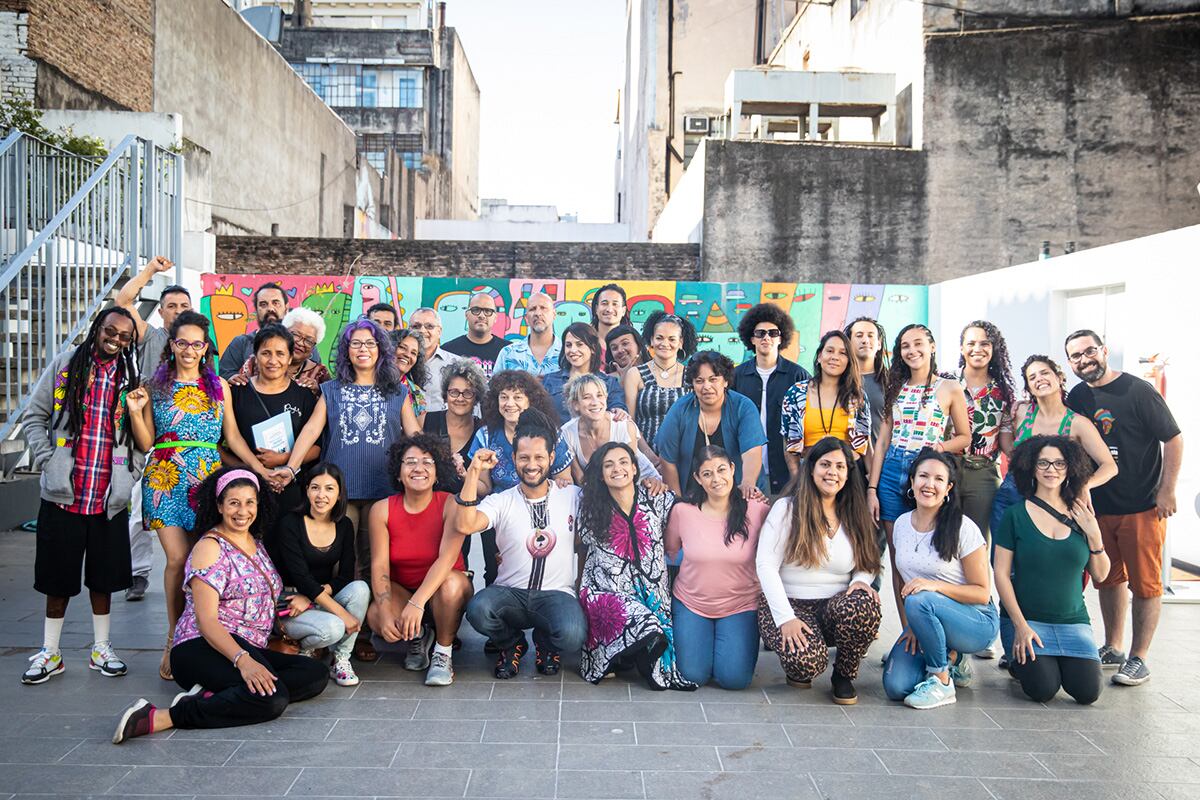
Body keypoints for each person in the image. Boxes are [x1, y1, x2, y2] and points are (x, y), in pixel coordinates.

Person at [112, 467, 327, 744]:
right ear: (219, 506)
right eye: (234, 503)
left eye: (250, 502)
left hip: (248, 645)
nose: (242, 511)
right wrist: (244, 661)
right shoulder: (210, 547)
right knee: (273, 700)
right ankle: (163, 716)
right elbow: (207, 621)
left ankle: (217, 693)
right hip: (201, 647)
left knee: (314, 674)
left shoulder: (255, 541)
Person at [126, 311, 280, 682]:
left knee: (206, 562)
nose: (190, 350)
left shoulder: (219, 387)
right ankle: (173, 638)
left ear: (206, 347)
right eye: (183, 343)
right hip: (165, 477)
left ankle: (208, 633)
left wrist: (259, 472)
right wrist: (134, 411)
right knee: (178, 560)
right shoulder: (155, 386)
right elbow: (146, 442)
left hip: (207, 480)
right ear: (172, 345)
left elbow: (234, 439)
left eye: (197, 343)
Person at [280, 320, 421, 661]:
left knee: (375, 563)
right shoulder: (331, 390)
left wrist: (438, 466)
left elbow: (414, 435)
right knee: (343, 563)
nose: (363, 349)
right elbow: (312, 430)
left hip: (382, 490)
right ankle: (332, 628)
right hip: (338, 493)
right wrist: (291, 467)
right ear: (345, 351)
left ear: (381, 350)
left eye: (370, 344)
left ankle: (363, 634)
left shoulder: (397, 391)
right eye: (355, 344)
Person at [21, 308, 143, 685]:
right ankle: (51, 652)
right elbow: (34, 416)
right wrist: (48, 460)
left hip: (108, 499)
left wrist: (132, 471)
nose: (117, 339)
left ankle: (101, 648)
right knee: (56, 579)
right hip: (63, 497)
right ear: (97, 329)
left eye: (125, 336)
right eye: (111, 330)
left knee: (103, 580)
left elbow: (141, 434)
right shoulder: (66, 366)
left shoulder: (131, 378)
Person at [1065, 329, 1182, 686]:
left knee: (1146, 584)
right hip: (1099, 508)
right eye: (1075, 356)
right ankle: (1113, 646)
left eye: (1089, 352)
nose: (1084, 360)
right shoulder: (1079, 396)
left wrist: (1167, 490)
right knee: (1109, 580)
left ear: (1103, 350)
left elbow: (1173, 438)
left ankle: (1139, 657)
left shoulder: (1137, 390)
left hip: (1142, 505)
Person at [457, 411, 588, 679]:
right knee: (478, 610)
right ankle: (512, 643)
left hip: (556, 593)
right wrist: (474, 473)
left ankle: (546, 642)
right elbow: (466, 524)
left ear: (551, 459)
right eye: (524, 457)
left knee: (573, 635)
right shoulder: (501, 500)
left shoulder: (571, 495)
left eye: (539, 457)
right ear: (514, 459)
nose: (531, 465)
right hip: (511, 594)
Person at [756, 437, 882, 703]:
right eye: (825, 464)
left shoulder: (854, 512)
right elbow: (765, 565)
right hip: (789, 604)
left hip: (832, 607)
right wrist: (785, 618)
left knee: (864, 604)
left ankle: (844, 675)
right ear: (810, 468)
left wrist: (860, 580)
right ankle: (802, 664)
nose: (832, 473)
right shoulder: (787, 508)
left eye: (840, 466)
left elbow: (868, 563)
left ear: (848, 474)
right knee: (807, 665)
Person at [994, 436, 1109, 705]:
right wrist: (1020, 626)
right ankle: (1018, 657)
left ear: (1070, 469)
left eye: (1059, 463)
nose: (1051, 469)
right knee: (1042, 689)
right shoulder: (1015, 514)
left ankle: (1048, 660)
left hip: (1073, 621)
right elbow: (1000, 574)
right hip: (1028, 621)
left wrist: (1094, 535)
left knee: (1087, 692)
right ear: (1031, 467)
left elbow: (1101, 575)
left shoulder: (1082, 514)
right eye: (1043, 462)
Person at [881, 450, 998, 710]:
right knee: (896, 687)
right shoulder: (901, 524)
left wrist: (933, 587)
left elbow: (981, 593)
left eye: (938, 479)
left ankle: (942, 681)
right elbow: (902, 583)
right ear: (911, 481)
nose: (929, 484)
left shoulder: (963, 528)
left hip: (975, 621)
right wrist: (913, 626)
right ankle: (951, 659)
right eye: (923, 476)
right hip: (924, 613)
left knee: (920, 599)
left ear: (948, 488)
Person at [577, 442, 694, 690]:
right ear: (600, 474)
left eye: (622, 462)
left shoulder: (658, 498)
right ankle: (627, 653)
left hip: (653, 591)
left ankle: (632, 654)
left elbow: (692, 518)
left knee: (663, 668)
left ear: (634, 467)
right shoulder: (589, 505)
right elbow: (582, 546)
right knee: (647, 626)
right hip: (607, 591)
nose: (617, 469)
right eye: (608, 465)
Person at [114, 255, 191, 602]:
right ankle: (137, 572)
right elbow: (123, 302)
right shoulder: (151, 336)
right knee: (138, 508)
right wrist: (150, 271)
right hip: (146, 433)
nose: (177, 310)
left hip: (185, 442)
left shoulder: (200, 343)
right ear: (161, 312)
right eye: (171, 305)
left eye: (183, 305)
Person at [367, 435, 472, 686]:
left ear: (437, 474)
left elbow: (446, 560)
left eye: (427, 462)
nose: (418, 468)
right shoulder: (381, 510)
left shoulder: (450, 503)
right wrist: (384, 611)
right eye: (410, 462)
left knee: (450, 584)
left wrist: (417, 603)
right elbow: (380, 565)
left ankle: (442, 653)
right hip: (404, 589)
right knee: (374, 616)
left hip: (446, 589)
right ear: (399, 472)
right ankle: (420, 634)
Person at [665, 446, 769, 690]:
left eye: (722, 470)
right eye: (708, 473)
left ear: (733, 469)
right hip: (691, 603)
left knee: (735, 679)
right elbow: (669, 552)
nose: (716, 479)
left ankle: (724, 651)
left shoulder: (757, 510)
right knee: (692, 676)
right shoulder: (682, 512)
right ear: (698, 479)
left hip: (740, 605)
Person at [990, 355, 1117, 551]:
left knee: (1044, 561)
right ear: (1028, 388)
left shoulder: (1077, 423)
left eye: (1044, 373)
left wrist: (1085, 485)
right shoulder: (1021, 413)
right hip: (1011, 496)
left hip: (1054, 499)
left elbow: (1110, 466)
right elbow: (1008, 449)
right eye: (1032, 377)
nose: (1039, 378)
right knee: (1005, 563)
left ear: (1059, 378)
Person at [466, 371, 574, 585]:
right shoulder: (486, 435)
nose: (510, 403)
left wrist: (559, 483)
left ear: (530, 401)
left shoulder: (552, 433)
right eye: (504, 397)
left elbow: (565, 480)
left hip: (543, 514)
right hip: (501, 515)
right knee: (495, 574)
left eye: (517, 397)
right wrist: (468, 474)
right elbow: (485, 487)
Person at [868, 324, 971, 540]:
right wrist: (872, 488)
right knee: (896, 549)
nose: (911, 350)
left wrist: (940, 447)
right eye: (905, 346)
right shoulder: (894, 387)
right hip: (891, 470)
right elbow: (882, 442)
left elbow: (964, 437)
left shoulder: (950, 387)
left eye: (918, 344)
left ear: (932, 347)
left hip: (927, 470)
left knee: (925, 545)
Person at [275, 463, 369, 687]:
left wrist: (312, 596)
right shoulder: (290, 524)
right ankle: (306, 651)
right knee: (335, 627)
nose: (321, 495)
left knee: (360, 589)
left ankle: (341, 659)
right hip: (289, 602)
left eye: (329, 489)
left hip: (313, 598)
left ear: (339, 494)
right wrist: (343, 615)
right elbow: (301, 578)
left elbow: (345, 575)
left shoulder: (344, 525)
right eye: (315, 487)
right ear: (306, 490)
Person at [224, 325, 319, 521]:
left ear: (290, 358)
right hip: (244, 492)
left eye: (280, 354)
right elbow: (217, 444)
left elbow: (317, 447)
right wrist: (248, 468)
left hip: (290, 490)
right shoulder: (236, 393)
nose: (273, 360)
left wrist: (284, 460)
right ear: (255, 357)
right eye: (266, 353)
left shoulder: (304, 396)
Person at [655, 350, 767, 500]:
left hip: (739, 493)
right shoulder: (680, 409)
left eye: (713, 379)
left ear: (725, 381)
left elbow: (752, 452)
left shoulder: (743, 407)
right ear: (692, 384)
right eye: (699, 381)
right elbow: (668, 460)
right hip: (692, 496)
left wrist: (747, 483)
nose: (706, 386)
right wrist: (677, 502)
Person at [732, 303, 810, 496]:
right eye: (760, 333)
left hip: (787, 474)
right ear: (751, 339)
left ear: (781, 337)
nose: (766, 337)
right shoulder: (736, 376)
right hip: (745, 474)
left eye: (773, 333)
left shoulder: (798, 376)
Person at [955, 321, 1016, 541]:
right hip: (944, 468)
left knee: (976, 541)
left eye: (985, 343)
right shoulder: (944, 381)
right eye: (971, 343)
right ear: (962, 348)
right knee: (942, 539)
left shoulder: (1003, 392)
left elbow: (1006, 440)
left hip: (983, 473)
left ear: (994, 348)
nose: (977, 349)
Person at [780, 330, 871, 475]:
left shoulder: (857, 396)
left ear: (848, 361)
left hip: (850, 473)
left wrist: (871, 489)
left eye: (843, 353)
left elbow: (866, 444)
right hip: (810, 473)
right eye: (830, 350)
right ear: (819, 356)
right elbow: (789, 444)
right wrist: (797, 482)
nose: (835, 357)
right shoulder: (796, 393)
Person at [562, 374, 660, 484]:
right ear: (576, 404)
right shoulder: (567, 433)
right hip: (597, 490)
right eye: (586, 397)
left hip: (642, 483)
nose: (595, 402)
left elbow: (629, 475)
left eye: (599, 395)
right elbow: (581, 479)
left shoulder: (623, 426)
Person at [623, 311, 697, 455]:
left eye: (672, 339)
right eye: (659, 338)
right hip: (645, 458)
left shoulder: (691, 375)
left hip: (684, 456)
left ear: (680, 342)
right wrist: (651, 458)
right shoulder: (635, 374)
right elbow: (629, 422)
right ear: (651, 340)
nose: (665, 344)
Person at [230, 307, 332, 393]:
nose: (300, 343)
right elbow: (240, 395)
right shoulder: (255, 363)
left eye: (309, 341)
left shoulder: (319, 373)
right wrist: (233, 383)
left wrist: (319, 391)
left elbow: (329, 407)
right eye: (295, 335)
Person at [541, 322, 627, 424]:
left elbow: (617, 409)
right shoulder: (549, 380)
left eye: (579, 344)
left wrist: (618, 411)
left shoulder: (609, 383)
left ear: (593, 348)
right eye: (568, 345)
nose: (573, 350)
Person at [218, 282, 291, 380]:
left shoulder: (300, 344)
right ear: (256, 310)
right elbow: (223, 376)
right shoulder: (241, 343)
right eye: (263, 304)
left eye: (276, 303)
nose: (270, 308)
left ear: (286, 308)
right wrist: (232, 378)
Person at [442, 291, 509, 379]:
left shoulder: (508, 351)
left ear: (495, 317)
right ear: (466, 315)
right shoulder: (447, 351)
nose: (481, 315)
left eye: (488, 311)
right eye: (476, 310)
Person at [494, 291, 560, 376]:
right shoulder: (508, 353)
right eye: (532, 309)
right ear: (526, 318)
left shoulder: (567, 353)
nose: (538, 313)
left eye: (543, 308)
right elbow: (495, 387)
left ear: (554, 314)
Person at [844, 317, 888, 441]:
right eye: (859, 336)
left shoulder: (892, 382)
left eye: (870, 335)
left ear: (879, 344)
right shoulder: (838, 380)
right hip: (845, 458)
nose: (865, 340)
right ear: (848, 343)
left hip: (882, 458)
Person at [409, 306, 457, 413]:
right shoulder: (400, 363)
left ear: (439, 332)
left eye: (429, 326)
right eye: (416, 326)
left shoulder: (456, 365)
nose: (422, 331)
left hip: (443, 428)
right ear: (409, 330)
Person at [391, 328, 429, 422]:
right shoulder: (370, 382)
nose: (408, 355)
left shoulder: (416, 392)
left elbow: (418, 430)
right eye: (403, 347)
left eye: (413, 353)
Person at [589, 283, 630, 364]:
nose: (609, 309)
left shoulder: (633, 344)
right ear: (596, 309)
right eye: (604, 303)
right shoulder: (585, 341)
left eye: (615, 304)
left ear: (623, 311)